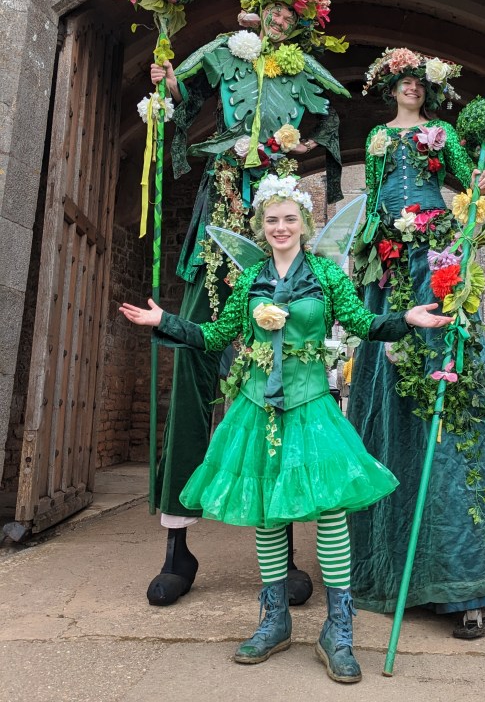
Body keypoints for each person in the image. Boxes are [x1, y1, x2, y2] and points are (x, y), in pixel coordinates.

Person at [120, 176, 451, 682]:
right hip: (257, 407)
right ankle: (274, 620)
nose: (281, 227)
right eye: (272, 220)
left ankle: (338, 629)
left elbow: (363, 323)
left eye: (289, 218)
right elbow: (216, 336)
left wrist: (405, 318)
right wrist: (165, 320)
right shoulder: (249, 278)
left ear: (305, 222)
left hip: (311, 405)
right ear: (262, 225)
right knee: (268, 515)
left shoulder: (324, 274)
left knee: (332, 513)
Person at [145, 0, 349, 606]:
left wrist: (289, 158)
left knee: (281, 374)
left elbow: (332, 118)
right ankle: (177, 544)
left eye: (296, 11)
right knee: (193, 365)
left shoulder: (302, 72)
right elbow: (183, 100)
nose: (283, 16)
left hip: (273, 227)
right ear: (260, 10)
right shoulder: (227, 54)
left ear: (303, 25)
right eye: (276, 6)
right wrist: (165, 90)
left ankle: (283, 555)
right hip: (220, 215)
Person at [347, 48, 485, 639]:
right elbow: (373, 199)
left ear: (429, 90)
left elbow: (462, 184)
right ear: (390, 88)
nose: (411, 89)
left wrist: (479, 179)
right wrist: (364, 252)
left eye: (419, 83)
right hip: (388, 272)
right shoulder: (373, 138)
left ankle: (467, 576)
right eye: (402, 82)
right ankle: (394, 569)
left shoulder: (442, 133)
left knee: (449, 393)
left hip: (434, 259)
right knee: (389, 389)